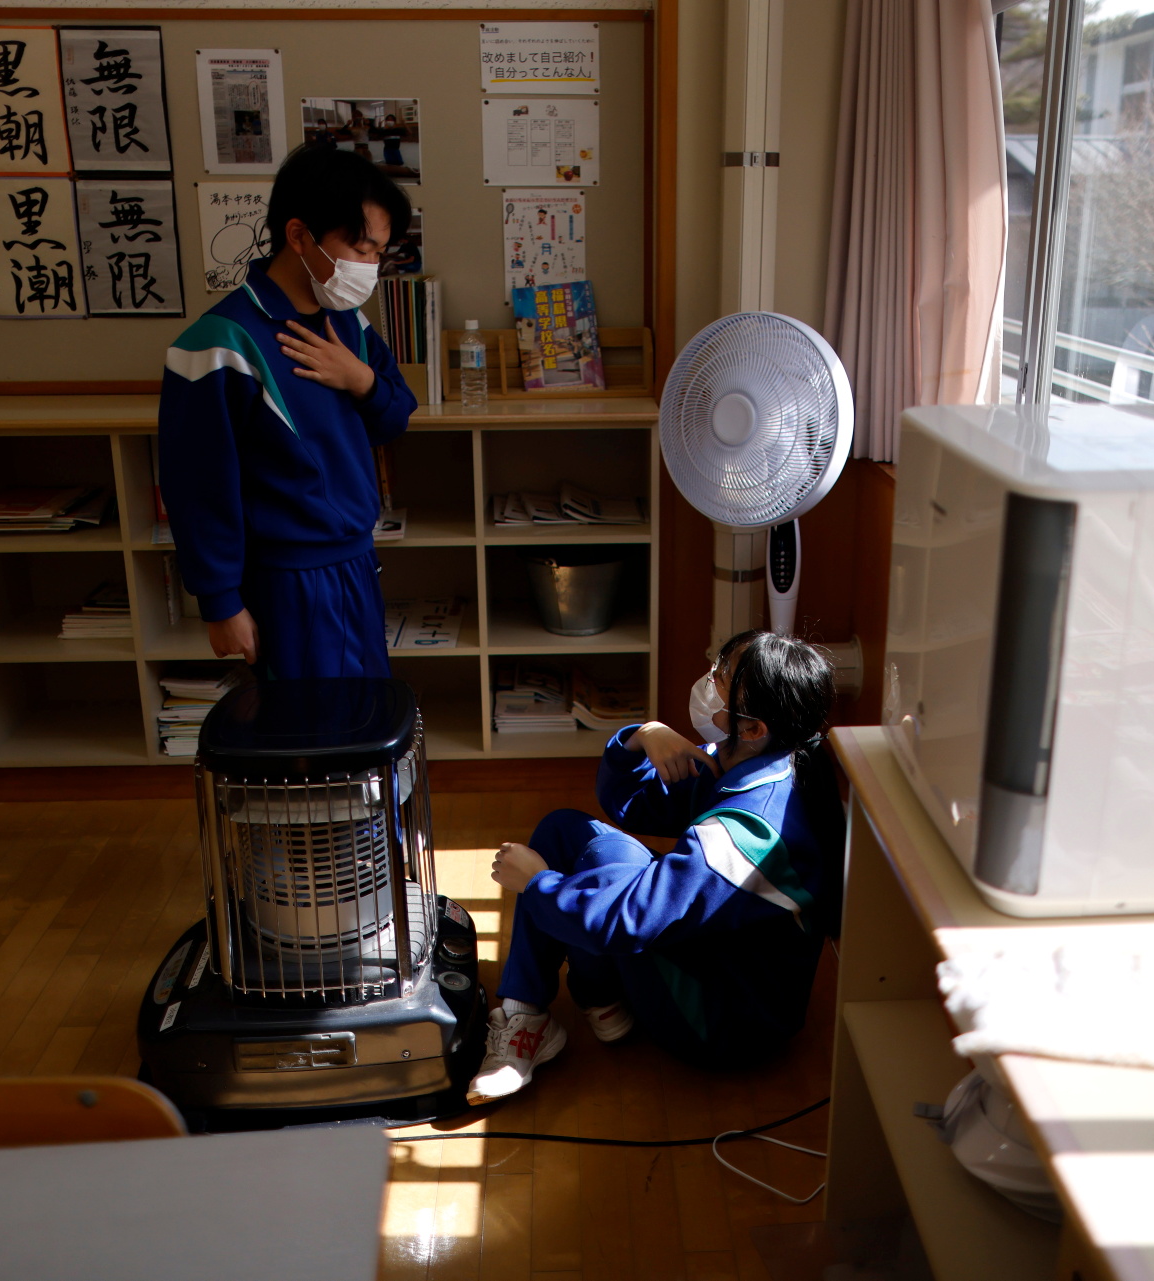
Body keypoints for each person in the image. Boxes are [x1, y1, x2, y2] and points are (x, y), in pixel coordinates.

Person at [469, 631, 846, 1102]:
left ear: (752, 728)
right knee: (565, 832)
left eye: (723, 678)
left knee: (586, 866)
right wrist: (643, 736)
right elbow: (635, 804)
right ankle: (589, 1003)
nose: (709, 680)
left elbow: (626, 921)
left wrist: (537, 884)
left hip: (721, 1028)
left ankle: (538, 1015)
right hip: (726, 979)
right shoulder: (766, 760)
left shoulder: (748, 834)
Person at [157, 144, 416, 679]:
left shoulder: (348, 324)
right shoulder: (220, 342)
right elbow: (197, 485)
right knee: (307, 738)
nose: (369, 268)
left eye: (378, 254)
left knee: (361, 725)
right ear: (299, 236)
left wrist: (360, 380)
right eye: (361, 249)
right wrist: (221, 602)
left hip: (356, 563)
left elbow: (396, 416)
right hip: (286, 580)